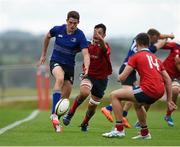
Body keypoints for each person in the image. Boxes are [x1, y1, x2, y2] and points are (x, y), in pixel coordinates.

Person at [102, 32, 177, 139]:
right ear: (148, 43)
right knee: (138, 104)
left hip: (148, 89)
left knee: (114, 95)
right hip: (159, 91)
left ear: (137, 43)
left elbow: (122, 78)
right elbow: (168, 79)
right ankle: (145, 133)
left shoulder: (135, 56)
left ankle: (119, 130)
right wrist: (169, 100)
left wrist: (117, 77)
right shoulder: (155, 58)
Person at [38, 10, 90, 133]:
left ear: (78, 23)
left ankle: (56, 122)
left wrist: (87, 66)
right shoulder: (58, 29)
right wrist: (43, 54)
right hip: (55, 62)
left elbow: (86, 54)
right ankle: (53, 115)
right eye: (71, 22)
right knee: (59, 78)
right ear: (66, 21)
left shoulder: (80, 35)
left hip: (69, 67)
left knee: (65, 100)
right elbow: (47, 36)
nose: (72, 25)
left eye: (75, 23)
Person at [63, 23, 112, 131]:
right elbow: (75, 48)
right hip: (88, 75)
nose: (96, 35)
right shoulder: (87, 44)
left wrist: (101, 40)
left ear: (104, 35)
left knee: (92, 106)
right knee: (84, 93)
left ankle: (85, 123)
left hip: (102, 79)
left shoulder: (105, 46)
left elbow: (104, 48)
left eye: (100, 33)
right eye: (95, 32)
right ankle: (71, 113)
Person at [162, 42, 180, 126]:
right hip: (162, 72)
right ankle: (141, 120)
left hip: (174, 77)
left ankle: (168, 115)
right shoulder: (176, 46)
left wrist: (177, 64)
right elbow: (161, 45)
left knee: (175, 91)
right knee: (151, 92)